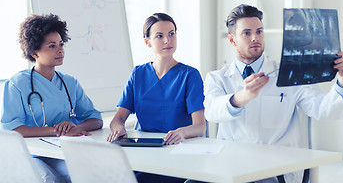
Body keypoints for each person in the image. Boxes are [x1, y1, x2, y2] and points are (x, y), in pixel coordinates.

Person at [204, 4, 343, 183]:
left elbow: (322, 109)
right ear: (232, 40)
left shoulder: (288, 73)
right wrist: (242, 97)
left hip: (275, 172)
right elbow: (212, 112)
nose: (255, 38)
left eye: (259, 31)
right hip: (232, 169)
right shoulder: (217, 78)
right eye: (246, 33)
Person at [1, 14, 103, 182]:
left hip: (63, 152)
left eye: (61, 44)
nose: (60, 50)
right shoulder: (17, 83)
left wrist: (75, 127)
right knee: (49, 179)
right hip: (31, 153)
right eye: (52, 46)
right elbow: (12, 129)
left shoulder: (70, 83)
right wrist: (57, 130)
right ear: (34, 52)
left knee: (82, 175)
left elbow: (96, 119)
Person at [108, 13, 206, 183]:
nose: (167, 41)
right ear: (147, 42)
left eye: (171, 34)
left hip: (176, 153)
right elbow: (118, 119)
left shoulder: (190, 75)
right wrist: (119, 130)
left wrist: (181, 133)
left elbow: (200, 127)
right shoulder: (138, 74)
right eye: (159, 36)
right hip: (142, 152)